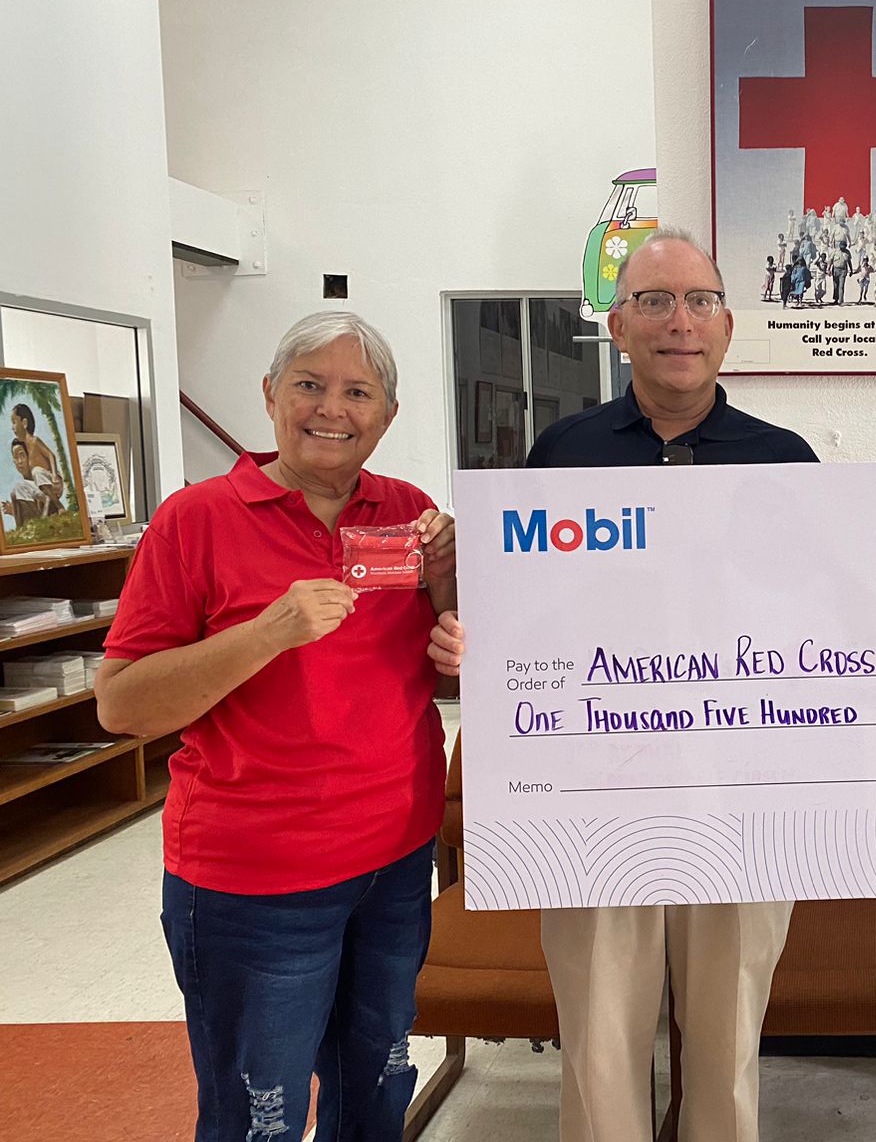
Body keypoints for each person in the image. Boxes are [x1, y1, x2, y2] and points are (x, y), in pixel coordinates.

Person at [430, 228, 817, 1142]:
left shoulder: (787, 461)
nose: (678, 322)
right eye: (653, 301)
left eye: (699, 301)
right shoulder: (561, 456)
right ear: (618, 324)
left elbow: (822, 623)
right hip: (594, 798)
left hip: (740, 801)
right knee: (600, 1047)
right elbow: (523, 618)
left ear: (728, 325)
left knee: (726, 1051)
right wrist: (469, 636)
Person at [94, 311, 457, 1142]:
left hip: (394, 865)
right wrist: (266, 632)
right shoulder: (195, 520)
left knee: (377, 1085)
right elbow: (121, 707)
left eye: (358, 392)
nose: (333, 408)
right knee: (261, 1115)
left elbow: (443, 662)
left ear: (387, 416)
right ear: (269, 396)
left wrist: (449, 591)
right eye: (310, 385)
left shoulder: (407, 515)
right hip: (254, 883)